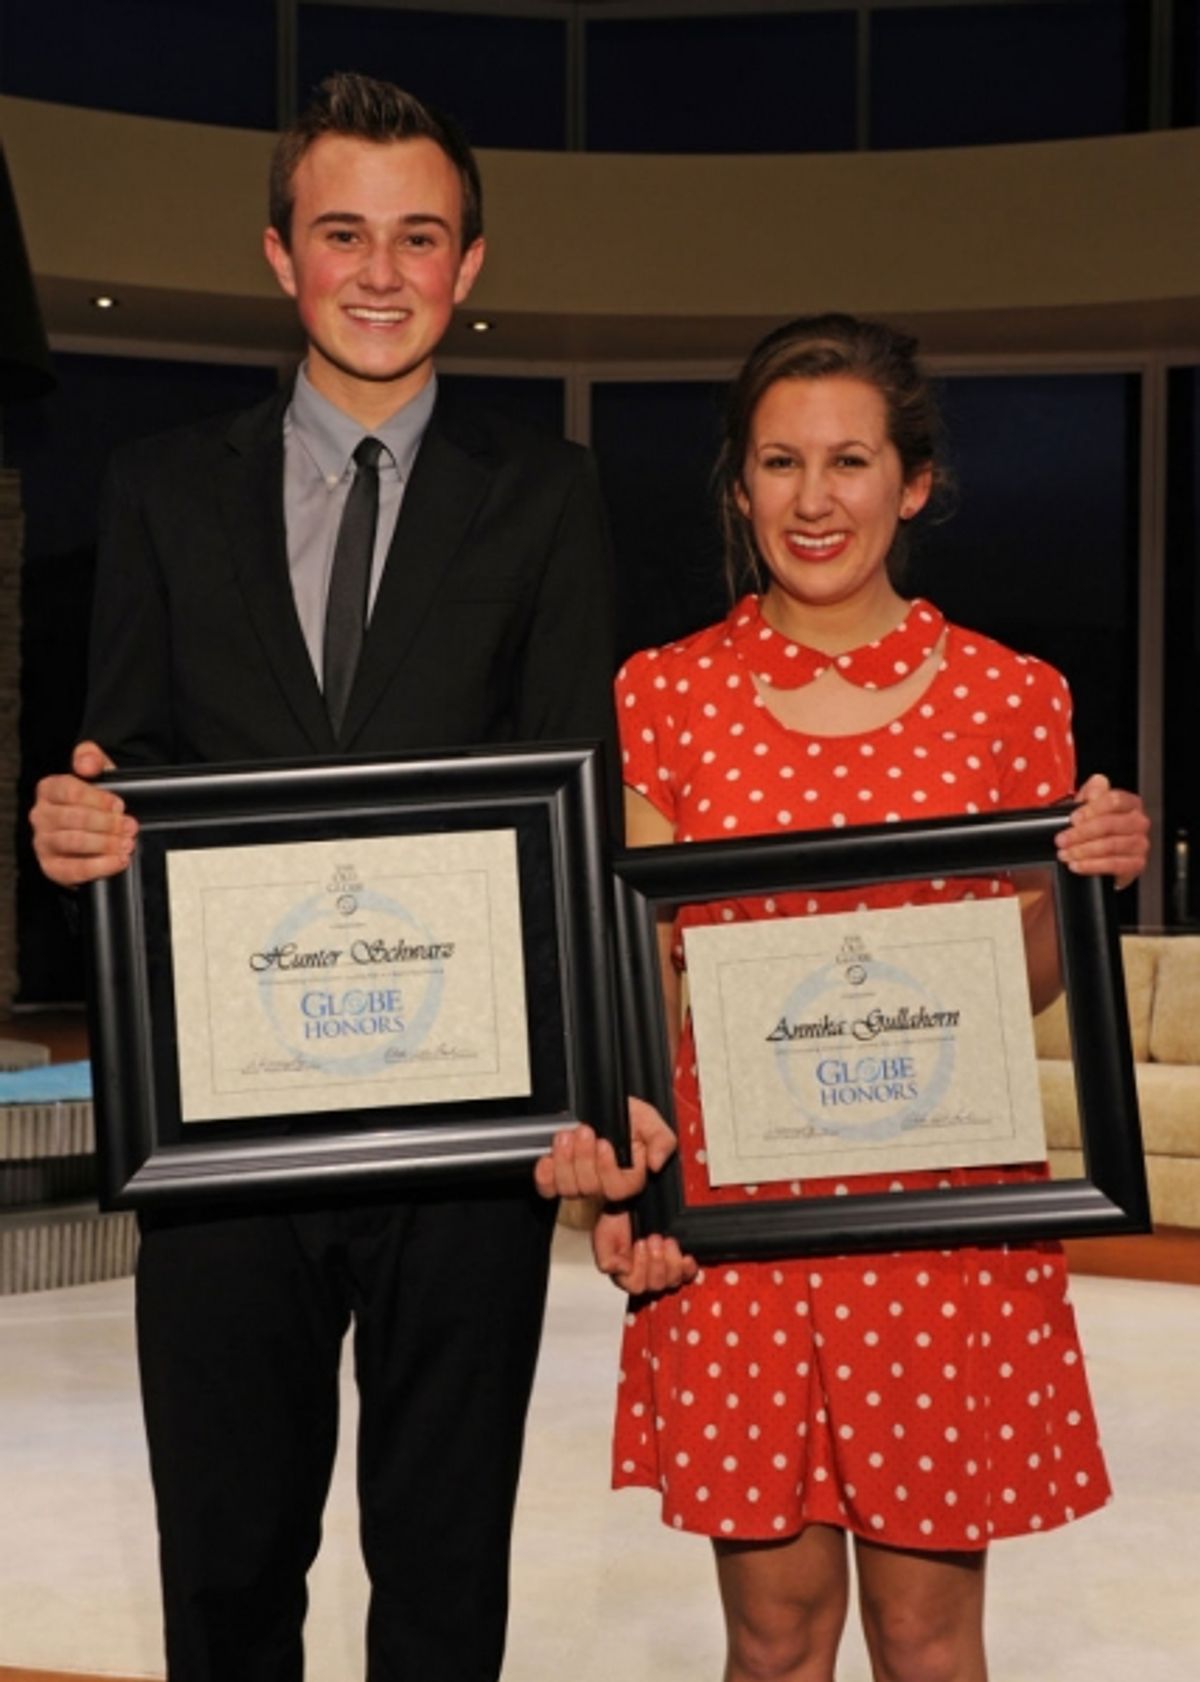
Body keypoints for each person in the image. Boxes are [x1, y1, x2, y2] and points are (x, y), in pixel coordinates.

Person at [28, 71, 659, 1682]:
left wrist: (598, 1090)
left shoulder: (548, 496)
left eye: (419, 236)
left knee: (442, 1578)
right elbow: (127, 770)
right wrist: (81, 836)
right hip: (227, 1137)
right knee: (228, 1570)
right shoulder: (161, 488)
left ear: (470, 263)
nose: (381, 271)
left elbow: (573, 812)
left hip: (467, 1135)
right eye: (343, 233)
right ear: (279, 253)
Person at [542, 314, 1149, 1682]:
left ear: (912, 483)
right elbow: (642, 970)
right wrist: (634, 1177)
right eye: (780, 462)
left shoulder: (1012, 698)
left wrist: (1079, 892)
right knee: (773, 1639)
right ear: (740, 486)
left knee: (928, 1644)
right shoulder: (664, 694)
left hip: (938, 1216)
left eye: (850, 461)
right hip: (739, 1225)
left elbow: (1018, 987)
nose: (813, 500)